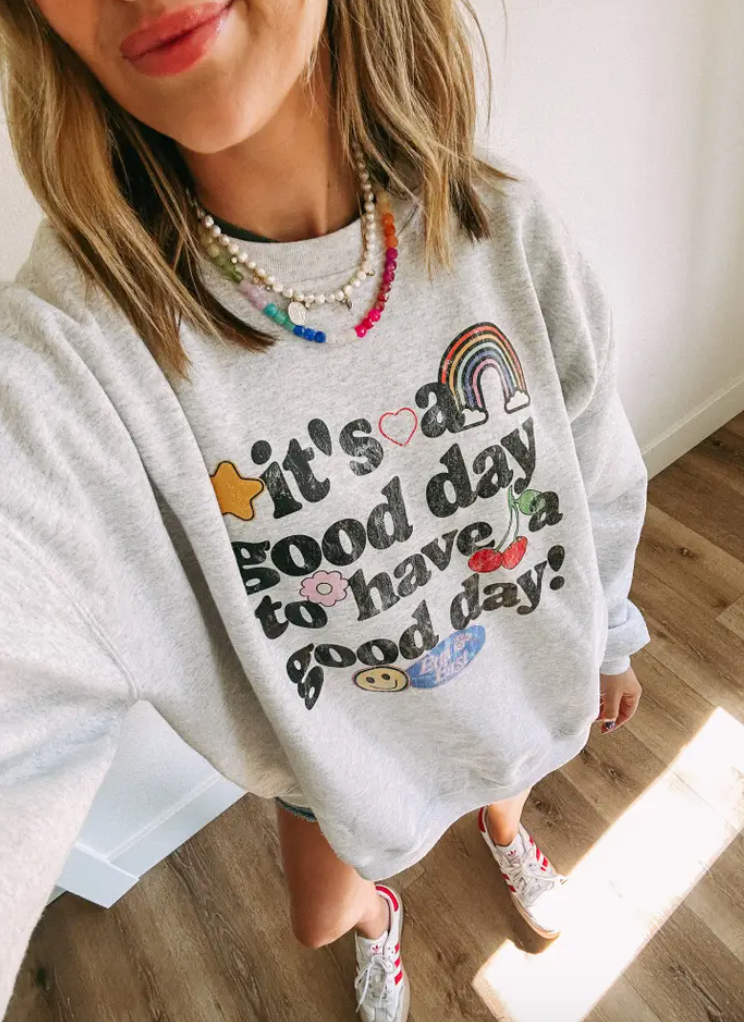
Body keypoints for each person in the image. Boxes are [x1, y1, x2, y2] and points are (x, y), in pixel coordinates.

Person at [0, 0, 650, 1019]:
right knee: (318, 917)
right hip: (336, 761)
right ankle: (380, 918)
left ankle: (507, 835)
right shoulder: (75, 364)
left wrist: (611, 632)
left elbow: (596, 462)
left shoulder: (502, 225)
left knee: (509, 772)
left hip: (518, 680)